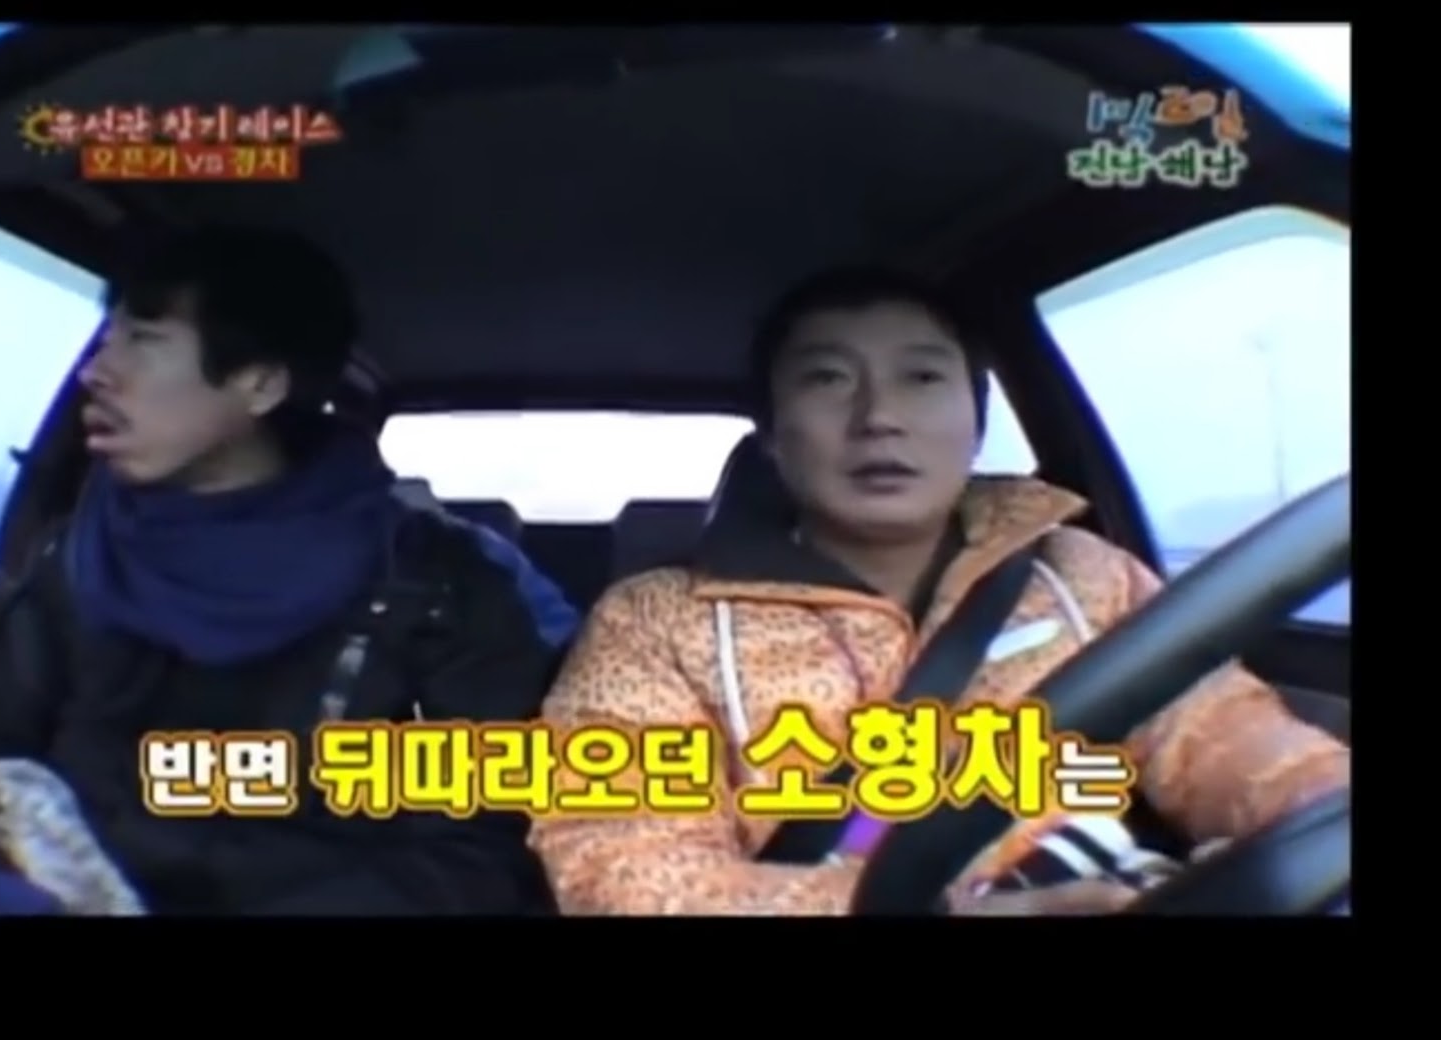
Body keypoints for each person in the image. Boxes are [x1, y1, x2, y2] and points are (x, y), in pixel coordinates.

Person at [528, 265, 1350, 916]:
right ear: (772, 437)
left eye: (922, 377)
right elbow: (624, 871)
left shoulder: (1081, 573)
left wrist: (1311, 827)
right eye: (827, 379)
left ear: (976, 421)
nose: (879, 416)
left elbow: (1223, 736)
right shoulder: (654, 622)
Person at [0, 224, 573, 915]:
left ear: (260, 384)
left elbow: (479, 847)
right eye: (106, 336)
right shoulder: (74, 559)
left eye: (143, 339)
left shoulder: (443, 587)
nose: (95, 370)